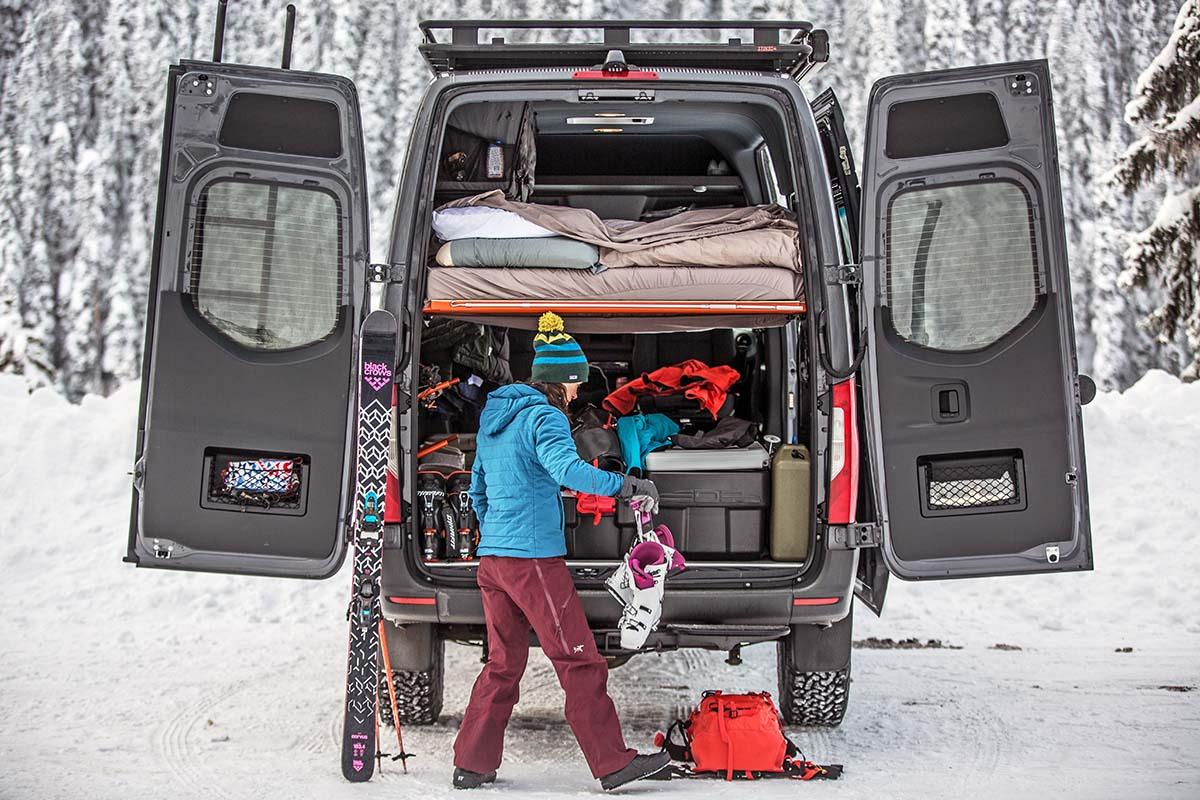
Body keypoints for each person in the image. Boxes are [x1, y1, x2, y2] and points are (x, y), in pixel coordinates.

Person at [452, 312, 667, 791]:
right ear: (562, 380)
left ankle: (472, 761)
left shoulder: (495, 417)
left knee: (503, 662)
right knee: (578, 660)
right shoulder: (544, 416)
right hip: (531, 560)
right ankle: (612, 762)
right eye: (575, 383)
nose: (576, 393)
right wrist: (626, 485)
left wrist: (498, 534)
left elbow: (478, 490)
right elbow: (570, 472)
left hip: (495, 562)